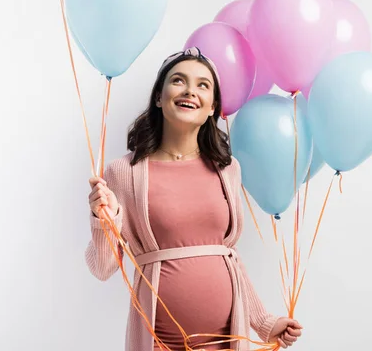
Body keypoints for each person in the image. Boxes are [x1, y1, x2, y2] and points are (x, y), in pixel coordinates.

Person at [86, 47, 302, 350]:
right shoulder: (124, 171)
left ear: (213, 106)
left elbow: (230, 258)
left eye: (203, 85)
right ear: (159, 98)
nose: (190, 90)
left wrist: (264, 322)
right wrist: (102, 220)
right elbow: (102, 267)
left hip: (226, 341)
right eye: (178, 80)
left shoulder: (227, 169)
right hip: (159, 341)